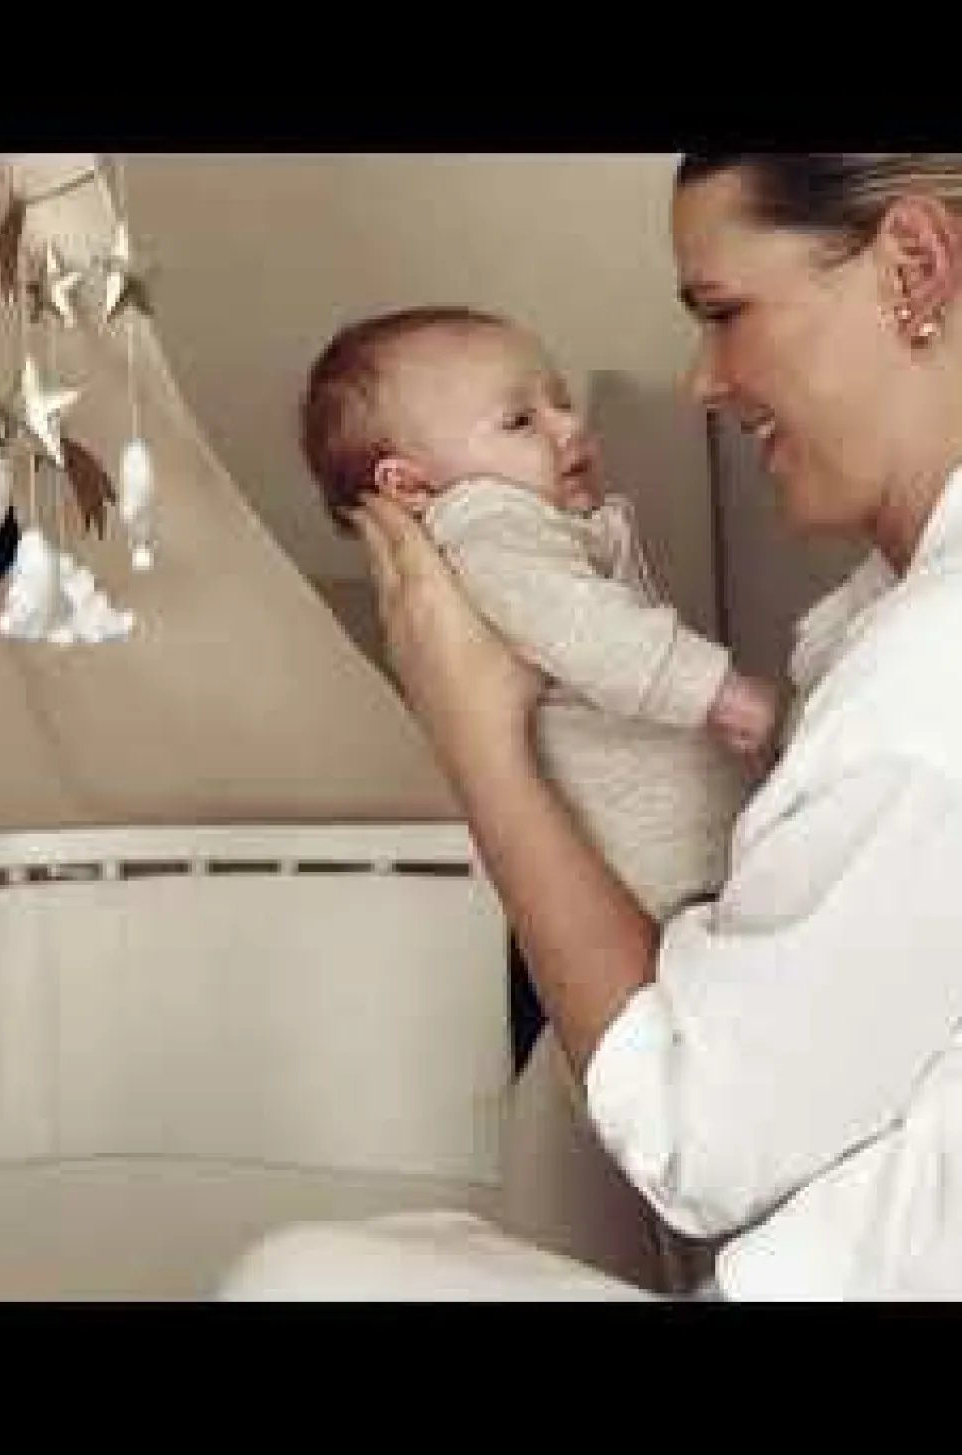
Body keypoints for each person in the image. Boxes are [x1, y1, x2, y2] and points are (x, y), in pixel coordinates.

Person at [228, 153, 962, 1301]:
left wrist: (476, 739)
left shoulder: (924, 682)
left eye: (723, 312)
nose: (701, 380)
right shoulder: (886, 630)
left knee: (293, 1276)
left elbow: (694, 1141)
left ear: (912, 265)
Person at [298, 304, 780, 1291]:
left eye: (558, 401)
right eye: (520, 419)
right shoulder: (484, 528)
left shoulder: (520, 526)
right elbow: (580, 630)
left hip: (667, 886)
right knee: (694, 1149)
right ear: (409, 484)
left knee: (658, 1154)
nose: (567, 426)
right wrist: (720, 691)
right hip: (650, 889)